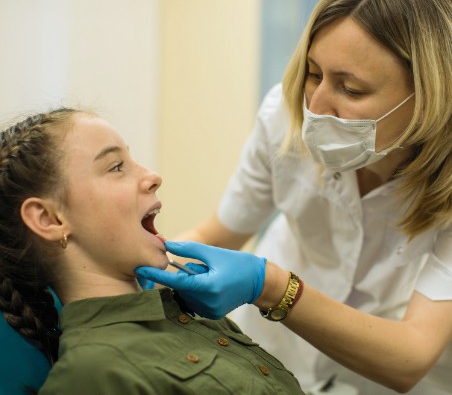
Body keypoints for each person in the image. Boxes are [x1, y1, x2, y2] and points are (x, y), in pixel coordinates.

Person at [135, 0, 452, 395]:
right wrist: (146, 270)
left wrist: (271, 286)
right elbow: (223, 231)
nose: (317, 105)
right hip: (273, 358)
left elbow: (410, 357)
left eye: (351, 89)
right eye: (314, 73)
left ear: (429, 97)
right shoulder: (283, 118)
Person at [0, 107, 305, 394]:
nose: (153, 177)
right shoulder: (90, 373)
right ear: (50, 219)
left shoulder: (188, 316)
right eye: (116, 167)